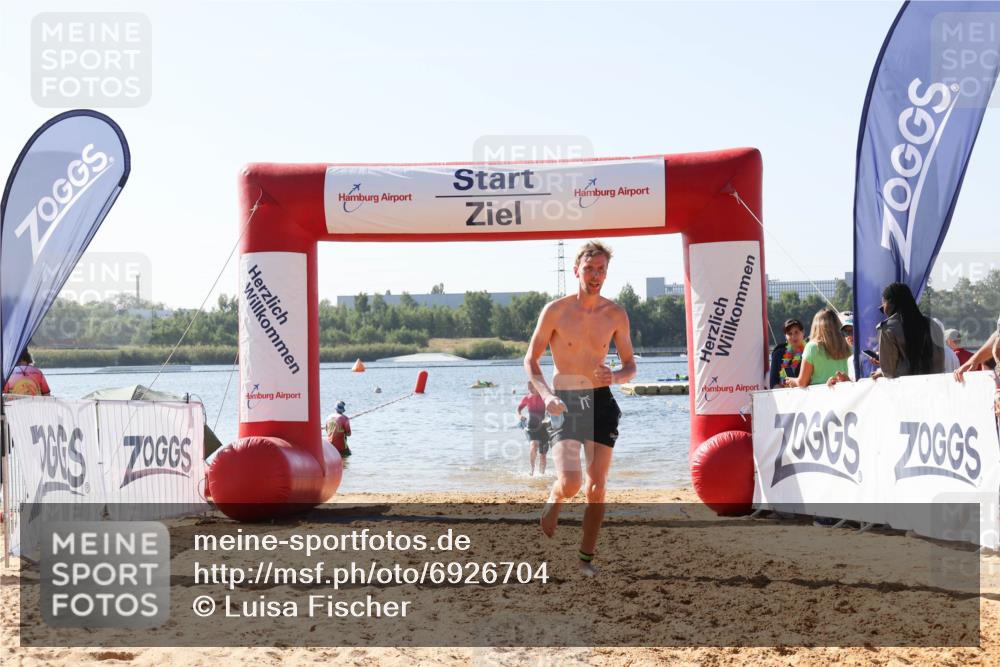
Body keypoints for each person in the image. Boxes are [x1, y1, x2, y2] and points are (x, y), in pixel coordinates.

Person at [523, 240, 636, 577]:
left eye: (601, 269)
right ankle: (554, 500)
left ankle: (585, 558)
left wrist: (615, 376)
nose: (596, 275)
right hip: (565, 401)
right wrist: (546, 395)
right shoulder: (555, 310)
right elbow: (531, 359)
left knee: (597, 486)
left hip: (601, 401)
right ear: (577, 271)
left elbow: (630, 365)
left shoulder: (615, 314)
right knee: (571, 482)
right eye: (590, 269)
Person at [873, 283, 944, 379]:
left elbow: (889, 371)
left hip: (905, 389)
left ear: (890, 303)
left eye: (883, 305)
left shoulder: (888, 329)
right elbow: (940, 363)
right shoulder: (933, 325)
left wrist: (881, 371)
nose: (883, 310)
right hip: (934, 386)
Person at [785, 308, 851, 387]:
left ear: (816, 326)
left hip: (819, 396)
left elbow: (802, 382)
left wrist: (792, 381)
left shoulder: (812, 347)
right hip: (844, 395)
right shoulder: (847, 346)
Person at [516, 382, 550, 476]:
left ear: (538, 387)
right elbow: (518, 408)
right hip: (531, 427)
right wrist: (519, 415)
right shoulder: (527, 398)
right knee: (533, 445)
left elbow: (552, 408)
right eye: (528, 387)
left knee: (543, 454)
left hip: (544, 427)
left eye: (532, 387)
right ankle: (532, 471)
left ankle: (542, 474)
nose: (530, 388)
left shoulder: (544, 397)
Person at [768, 318, 806, 388]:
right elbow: (773, 383)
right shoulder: (778, 353)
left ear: (803, 332)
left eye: (796, 332)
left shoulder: (808, 352)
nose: (793, 336)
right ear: (785, 336)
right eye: (789, 333)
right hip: (783, 395)